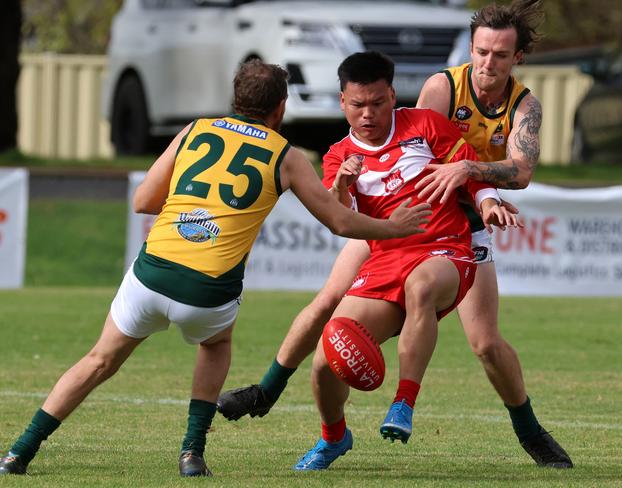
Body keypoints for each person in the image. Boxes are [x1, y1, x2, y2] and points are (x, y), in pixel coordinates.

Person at [0, 60, 433, 477]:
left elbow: (142, 201)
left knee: (98, 360)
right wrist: (392, 227)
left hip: (152, 273)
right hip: (207, 291)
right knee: (215, 343)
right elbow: (339, 221)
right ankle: (192, 452)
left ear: (236, 99)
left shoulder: (194, 130)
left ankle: (20, 450)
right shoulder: (285, 154)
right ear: (280, 108)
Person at [217, 0, 574, 470]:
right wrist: (358, 197)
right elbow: (405, 161)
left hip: (455, 226)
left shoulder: (524, 105)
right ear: (471, 48)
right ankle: (269, 391)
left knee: (484, 342)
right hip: (389, 224)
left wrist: (480, 191)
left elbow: (515, 169)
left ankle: (529, 431)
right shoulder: (441, 88)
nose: (488, 63)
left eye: (500, 55)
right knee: (328, 307)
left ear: (517, 59)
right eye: (481, 51)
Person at [291, 50, 519, 470]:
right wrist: (342, 187)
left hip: (445, 247)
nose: (368, 114)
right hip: (384, 259)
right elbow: (342, 221)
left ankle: (403, 403)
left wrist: (488, 202)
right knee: (326, 359)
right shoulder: (337, 156)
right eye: (358, 105)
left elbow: (467, 172)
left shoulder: (426, 125)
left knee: (422, 286)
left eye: (378, 102)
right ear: (342, 102)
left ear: (392, 95)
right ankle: (333, 437)